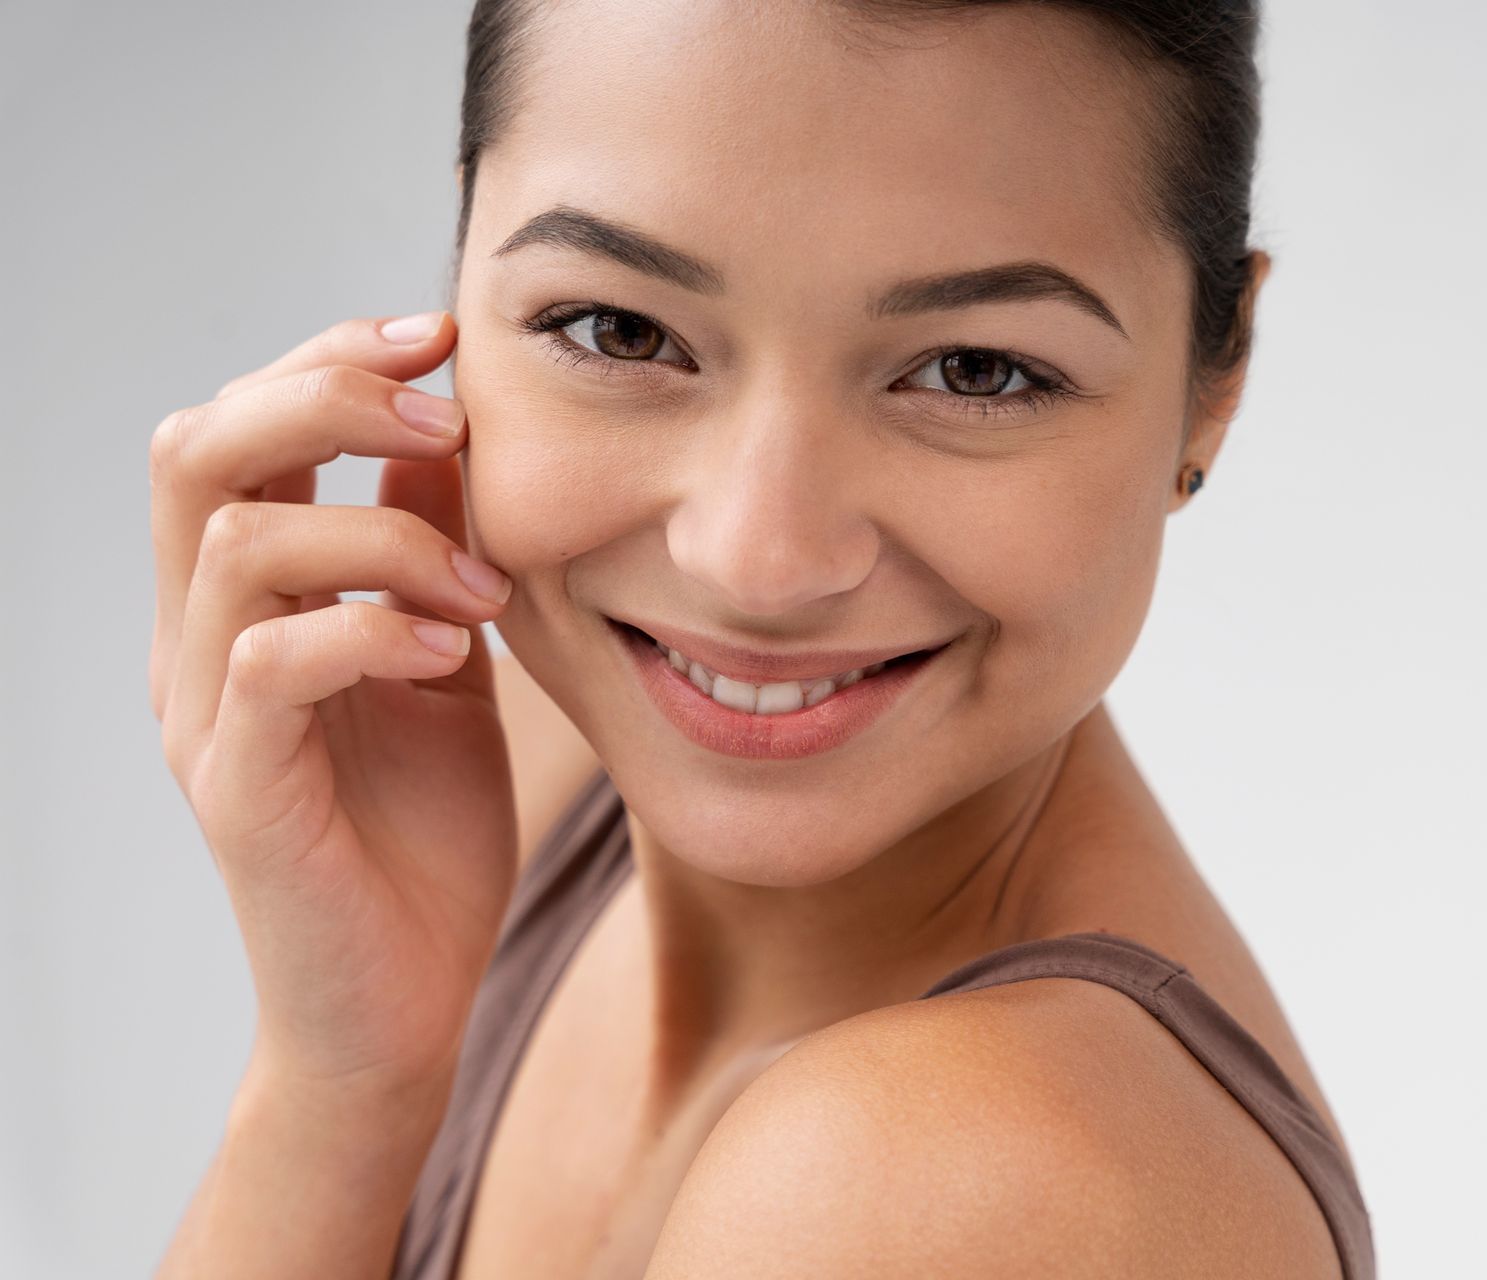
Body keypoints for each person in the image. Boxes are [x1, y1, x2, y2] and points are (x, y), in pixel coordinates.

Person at [149, 1, 1374, 1276]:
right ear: (462, 269)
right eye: (618, 329)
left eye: (974, 371)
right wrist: (341, 1078)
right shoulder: (510, 773)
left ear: (1211, 389)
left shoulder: (952, 1175)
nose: (758, 558)